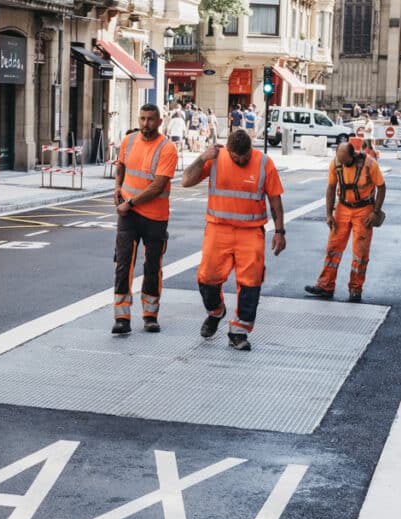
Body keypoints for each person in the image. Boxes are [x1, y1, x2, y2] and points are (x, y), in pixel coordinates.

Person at [180, 130, 286, 351]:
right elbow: (185, 181)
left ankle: (239, 331)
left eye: (245, 156)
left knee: (251, 283)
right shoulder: (216, 158)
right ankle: (216, 312)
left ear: (251, 149)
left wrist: (279, 231)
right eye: (236, 157)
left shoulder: (264, 163)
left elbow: (275, 199)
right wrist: (201, 158)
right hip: (218, 229)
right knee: (207, 278)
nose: (241, 160)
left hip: (251, 232)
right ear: (228, 150)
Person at [111, 103, 179, 335]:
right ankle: (122, 317)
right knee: (123, 263)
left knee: (152, 266)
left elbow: (158, 186)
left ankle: (150, 316)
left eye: (150, 119)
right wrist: (117, 187)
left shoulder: (167, 148)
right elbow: (121, 166)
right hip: (128, 215)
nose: (145, 124)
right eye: (142, 118)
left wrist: (129, 203)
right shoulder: (128, 141)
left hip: (154, 217)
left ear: (160, 122)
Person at [305, 142, 386, 303]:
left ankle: (355, 289)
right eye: (340, 160)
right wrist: (329, 214)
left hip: (364, 210)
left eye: (345, 161)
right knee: (333, 248)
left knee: (360, 253)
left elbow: (382, 187)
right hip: (342, 208)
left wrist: (375, 212)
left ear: (353, 155)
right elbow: (331, 187)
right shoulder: (336, 163)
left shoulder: (370, 164)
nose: (342, 164)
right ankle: (325, 286)